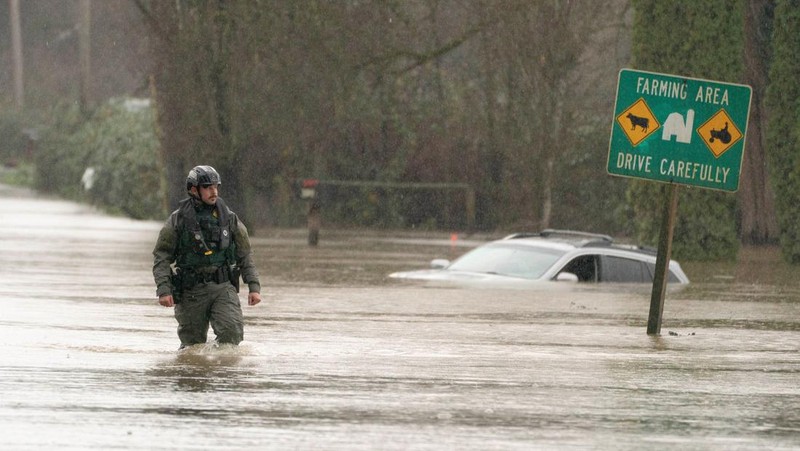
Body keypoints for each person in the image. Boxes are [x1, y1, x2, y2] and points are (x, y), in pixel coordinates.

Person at [152, 165, 261, 348]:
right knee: (192, 346)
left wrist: (254, 286)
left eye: (216, 187)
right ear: (194, 190)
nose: (214, 192)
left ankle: (222, 365)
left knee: (231, 333)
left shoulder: (229, 218)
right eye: (208, 187)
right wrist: (164, 289)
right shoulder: (178, 220)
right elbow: (161, 256)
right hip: (191, 291)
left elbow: (245, 254)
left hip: (223, 287)